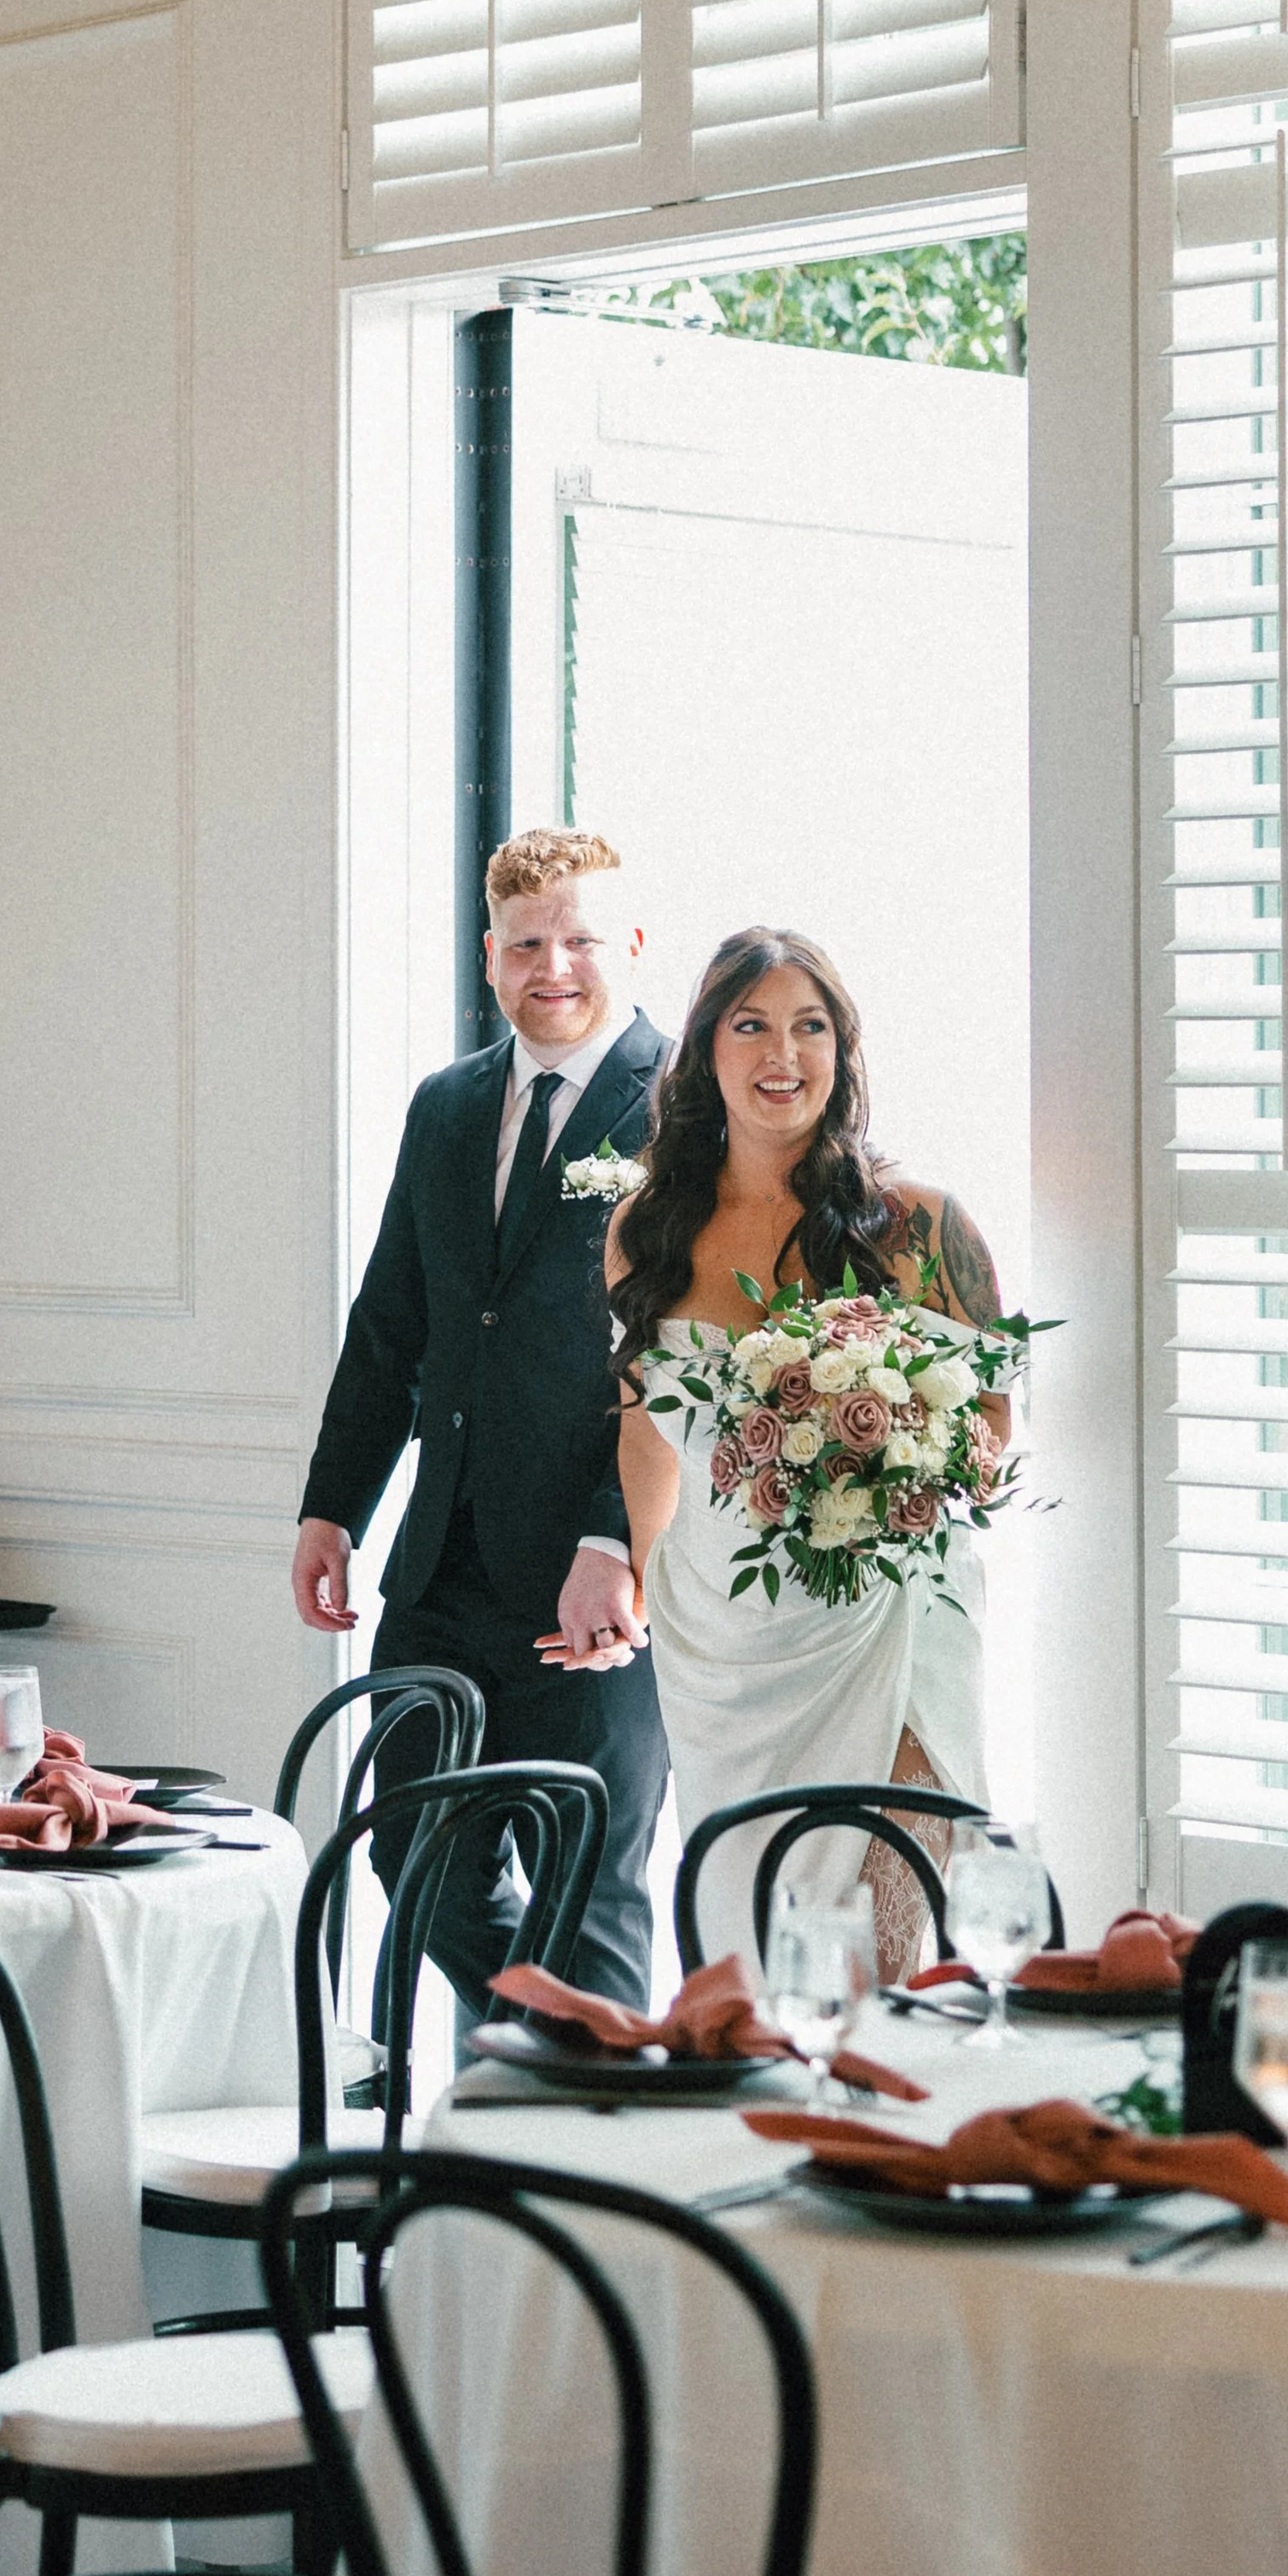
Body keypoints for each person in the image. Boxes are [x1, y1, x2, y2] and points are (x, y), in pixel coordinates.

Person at [293, 829, 672, 2022]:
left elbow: (685, 1360)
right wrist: (331, 1507)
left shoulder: (686, 1114)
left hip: (594, 1579)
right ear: (490, 955)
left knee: (585, 1883)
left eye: (578, 940)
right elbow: (390, 1324)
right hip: (441, 1566)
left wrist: (614, 1545)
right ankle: (547, 2048)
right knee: (412, 1853)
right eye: (525, 944)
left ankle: (587, 2166)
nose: (551, 966)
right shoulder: (446, 1106)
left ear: (634, 947)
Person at [582, 925, 1008, 1984]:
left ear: (841, 1048)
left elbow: (992, 1424)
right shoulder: (648, 1227)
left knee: (877, 1955)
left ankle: (890, 2143)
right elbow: (647, 1422)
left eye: (810, 1027)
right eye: (754, 1026)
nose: (785, 1055)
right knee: (754, 1956)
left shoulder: (916, 1225)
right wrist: (628, 1573)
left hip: (888, 1623)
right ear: (706, 1052)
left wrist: (889, 1469)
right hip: (720, 1646)